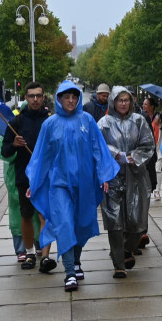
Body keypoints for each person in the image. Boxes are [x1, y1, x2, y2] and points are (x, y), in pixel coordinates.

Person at [26, 81, 118, 292]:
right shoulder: (50, 125)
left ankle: (76, 261)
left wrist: (104, 175)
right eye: (66, 97)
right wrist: (35, 182)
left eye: (74, 97)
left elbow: (98, 149)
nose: (70, 100)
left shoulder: (87, 120)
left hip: (84, 183)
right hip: (59, 185)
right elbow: (41, 156)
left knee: (80, 223)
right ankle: (69, 272)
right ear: (58, 99)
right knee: (65, 223)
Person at [98, 87, 156, 278]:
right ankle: (119, 264)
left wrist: (134, 157)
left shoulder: (139, 121)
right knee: (114, 221)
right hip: (112, 178)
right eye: (119, 100)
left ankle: (126, 249)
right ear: (113, 102)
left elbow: (149, 145)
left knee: (137, 220)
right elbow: (97, 145)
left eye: (126, 100)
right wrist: (115, 154)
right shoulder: (104, 123)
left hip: (135, 176)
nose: (123, 103)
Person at [7, 82, 54, 272]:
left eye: (38, 95)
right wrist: (14, 145)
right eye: (31, 96)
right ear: (25, 98)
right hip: (23, 176)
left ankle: (45, 256)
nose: (35, 99)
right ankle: (29, 253)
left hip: (46, 177)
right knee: (26, 216)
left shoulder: (51, 121)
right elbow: (5, 149)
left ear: (43, 98)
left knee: (44, 215)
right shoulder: (16, 122)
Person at [0, 110, 42, 261]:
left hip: (37, 177)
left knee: (39, 214)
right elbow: (3, 151)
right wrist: (15, 146)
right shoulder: (13, 127)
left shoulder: (42, 124)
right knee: (20, 215)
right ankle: (21, 249)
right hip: (17, 177)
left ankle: (39, 245)